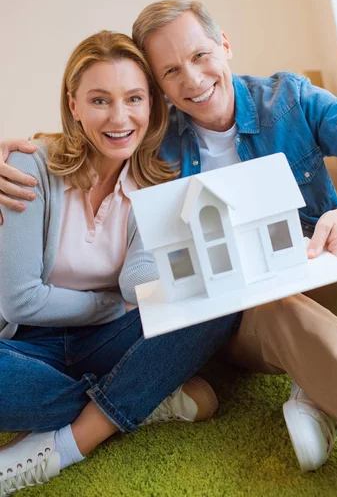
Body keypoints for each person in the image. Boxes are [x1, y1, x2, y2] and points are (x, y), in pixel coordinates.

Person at [2, 0, 337, 473]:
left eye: (200, 56)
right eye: (170, 71)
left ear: (225, 45)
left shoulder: (285, 99)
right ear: (161, 89)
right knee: (237, 300)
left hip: (318, 266)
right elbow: (48, 281)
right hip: (249, 311)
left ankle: (335, 379)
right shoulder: (154, 147)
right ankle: (141, 395)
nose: (191, 80)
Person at [0, 30, 242, 495]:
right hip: (28, 344)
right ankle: (144, 394)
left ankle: (74, 439)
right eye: (99, 100)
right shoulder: (30, 167)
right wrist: (115, 305)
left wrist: (158, 283)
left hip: (108, 341)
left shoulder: (156, 184)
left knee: (219, 304)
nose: (119, 117)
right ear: (73, 105)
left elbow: (137, 283)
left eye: (133, 98)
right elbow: (20, 302)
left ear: (151, 104)